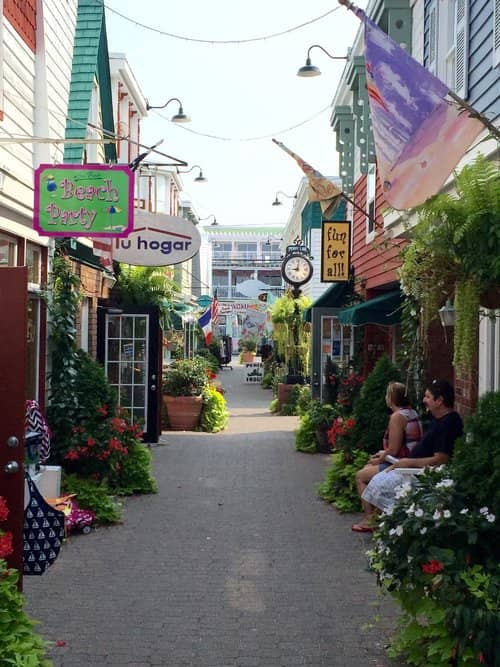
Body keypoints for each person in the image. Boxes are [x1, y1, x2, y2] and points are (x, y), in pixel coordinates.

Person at [359, 379, 463, 526]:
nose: (423, 400)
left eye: (427, 397)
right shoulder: (439, 420)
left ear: (439, 400)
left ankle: (382, 525)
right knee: (378, 480)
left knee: (377, 482)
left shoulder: (447, 424)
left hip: (416, 473)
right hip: (408, 466)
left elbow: (441, 459)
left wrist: (407, 462)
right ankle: (384, 525)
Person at [351, 381, 423, 532]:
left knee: (360, 476)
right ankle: (377, 515)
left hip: (401, 464)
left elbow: (394, 448)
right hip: (408, 459)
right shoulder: (412, 413)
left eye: (387, 394)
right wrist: (382, 455)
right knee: (368, 468)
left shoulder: (397, 417)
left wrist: (379, 458)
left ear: (391, 398)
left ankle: (369, 520)